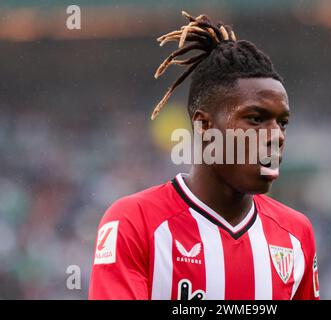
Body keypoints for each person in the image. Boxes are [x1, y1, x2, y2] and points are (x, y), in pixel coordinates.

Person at [89, 11, 319, 300]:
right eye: (256, 118)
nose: (277, 136)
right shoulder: (135, 223)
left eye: (282, 122)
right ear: (205, 126)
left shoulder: (296, 234)